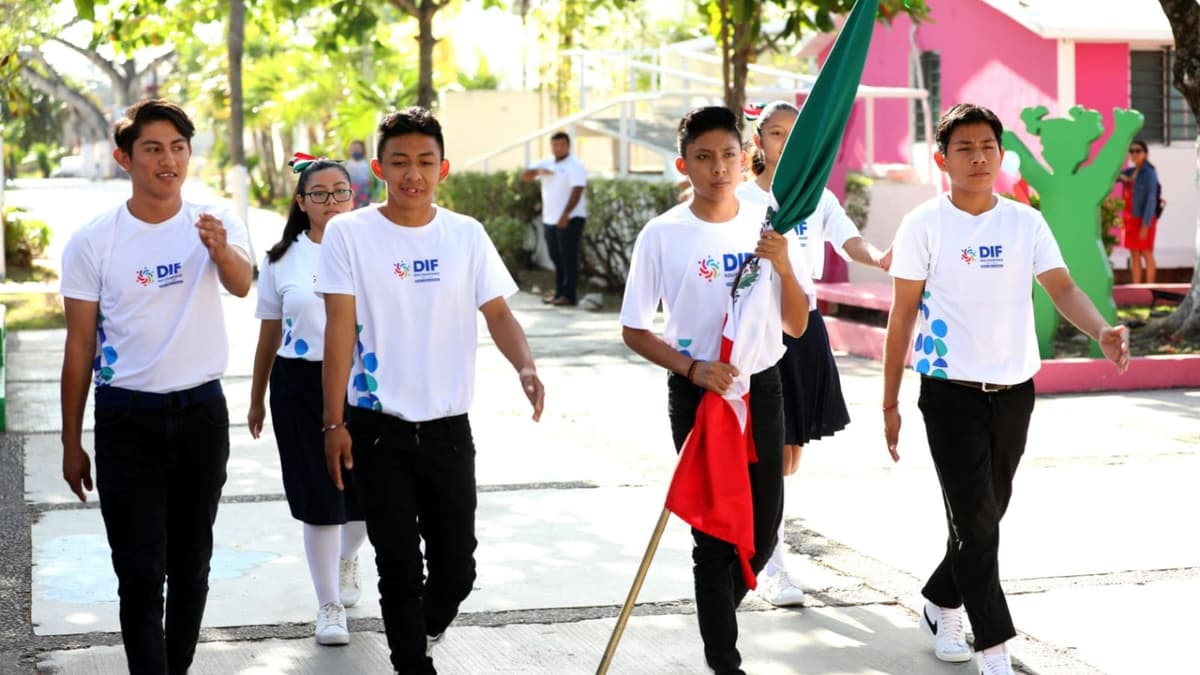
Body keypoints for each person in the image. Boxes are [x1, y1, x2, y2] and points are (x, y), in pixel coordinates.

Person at [883, 103, 1129, 675]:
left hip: (1015, 390)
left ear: (1001, 154)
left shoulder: (1024, 222)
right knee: (975, 522)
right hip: (949, 389)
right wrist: (889, 401)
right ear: (943, 160)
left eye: (987, 147)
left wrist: (1101, 330)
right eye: (964, 148)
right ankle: (992, 649)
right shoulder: (923, 224)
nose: (978, 158)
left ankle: (940, 600)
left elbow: (1062, 287)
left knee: (986, 516)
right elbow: (902, 315)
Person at [317, 106, 545, 674]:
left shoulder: (465, 234)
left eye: (424, 161)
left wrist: (525, 365)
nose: (412, 174)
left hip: (448, 431)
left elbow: (498, 313)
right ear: (378, 168)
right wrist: (333, 422)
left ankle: (420, 633)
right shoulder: (349, 234)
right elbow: (339, 329)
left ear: (443, 168)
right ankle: (412, 663)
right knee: (398, 568)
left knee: (457, 570)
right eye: (399, 162)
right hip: (376, 430)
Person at [59, 98, 253, 675]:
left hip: (201, 413)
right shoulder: (93, 241)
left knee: (191, 565)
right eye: (152, 149)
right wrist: (71, 441)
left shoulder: (214, 221)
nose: (168, 160)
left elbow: (243, 283)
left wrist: (220, 249)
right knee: (139, 572)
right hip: (126, 417)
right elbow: (79, 346)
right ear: (124, 158)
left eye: (178, 148)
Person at [620, 105, 814, 675]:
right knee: (711, 536)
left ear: (745, 157)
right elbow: (634, 328)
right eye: (703, 157)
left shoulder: (769, 224)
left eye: (729, 155)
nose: (718, 168)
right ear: (683, 164)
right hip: (700, 393)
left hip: (761, 388)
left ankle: (718, 618)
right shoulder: (662, 234)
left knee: (761, 532)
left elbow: (797, 323)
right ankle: (724, 662)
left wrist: (784, 266)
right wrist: (692, 369)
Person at [737, 100, 891, 606]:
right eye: (776, 133)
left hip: (802, 330)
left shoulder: (817, 199)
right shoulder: (741, 199)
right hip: (755, 334)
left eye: (794, 134)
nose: (786, 143)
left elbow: (851, 242)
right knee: (765, 454)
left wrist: (882, 259)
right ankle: (771, 566)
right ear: (759, 141)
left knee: (786, 460)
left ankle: (759, 543)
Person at [248, 155, 369, 647]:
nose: (331, 201)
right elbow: (268, 334)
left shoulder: (372, 248)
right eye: (319, 194)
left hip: (364, 382)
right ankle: (329, 606)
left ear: (353, 196)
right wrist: (256, 397)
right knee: (320, 497)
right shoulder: (281, 259)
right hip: (298, 387)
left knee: (364, 496)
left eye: (340, 191)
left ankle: (346, 558)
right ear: (302, 202)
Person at [520, 131, 587, 306]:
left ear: (568, 146)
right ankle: (559, 293)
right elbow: (524, 176)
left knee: (568, 258)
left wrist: (565, 215)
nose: (558, 148)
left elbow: (577, 190)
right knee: (556, 258)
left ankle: (569, 296)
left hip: (570, 218)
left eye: (562, 144)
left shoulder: (575, 165)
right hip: (550, 219)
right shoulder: (547, 163)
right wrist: (538, 172)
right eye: (555, 145)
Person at [1118, 139, 1159, 284]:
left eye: (1138, 151)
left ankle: (1150, 288)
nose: (1134, 154)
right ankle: (1137, 289)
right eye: (1131, 151)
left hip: (1144, 219)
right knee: (1134, 253)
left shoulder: (1149, 173)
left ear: (1145, 154)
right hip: (1130, 219)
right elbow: (1114, 175)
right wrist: (1123, 177)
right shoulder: (1130, 172)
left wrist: (1145, 225)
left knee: (1146, 252)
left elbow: (1151, 199)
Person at [346, 139, 373, 210]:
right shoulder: (347, 164)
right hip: (351, 197)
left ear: (362, 150)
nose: (356, 151)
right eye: (354, 149)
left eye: (358, 149)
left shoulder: (367, 164)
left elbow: (374, 183)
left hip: (364, 197)